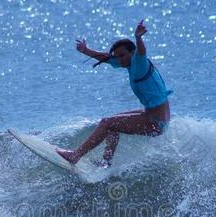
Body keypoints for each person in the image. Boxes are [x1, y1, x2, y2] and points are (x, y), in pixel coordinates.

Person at [57, 20, 172, 167]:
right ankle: (106, 163)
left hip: (155, 122)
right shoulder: (127, 62)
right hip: (154, 117)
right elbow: (107, 58)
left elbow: (141, 52)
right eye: (117, 56)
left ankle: (75, 155)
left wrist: (138, 38)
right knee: (111, 123)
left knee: (107, 123)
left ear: (132, 52)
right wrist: (86, 51)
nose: (118, 59)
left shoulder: (139, 62)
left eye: (122, 55)